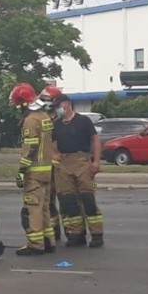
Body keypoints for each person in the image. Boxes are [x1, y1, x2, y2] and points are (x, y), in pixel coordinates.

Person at [50, 93, 104, 248]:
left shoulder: (83, 121)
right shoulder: (56, 124)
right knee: (69, 202)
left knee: (88, 199)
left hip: (81, 162)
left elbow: (95, 140)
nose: (58, 109)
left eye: (59, 105)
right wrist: (54, 155)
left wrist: (96, 162)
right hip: (64, 165)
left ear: (67, 104)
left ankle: (96, 234)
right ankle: (76, 234)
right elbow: (49, 143)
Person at [9, 83, 55, 256]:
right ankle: (48, 241)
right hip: (47, 170)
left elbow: (30, 147)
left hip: (34, 172)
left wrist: (22, 170)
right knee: (44, 207)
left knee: (33, 207)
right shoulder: (44, 116)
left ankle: (36, 244)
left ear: (23, 103)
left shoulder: (30, 120)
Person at [39, 85, 64, 242]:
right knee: (49, 202)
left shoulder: (61, 122)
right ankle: (54, 231)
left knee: (65, 200)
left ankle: (72, 232)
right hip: (48, 167)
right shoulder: (43, 119)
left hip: (60, 168)